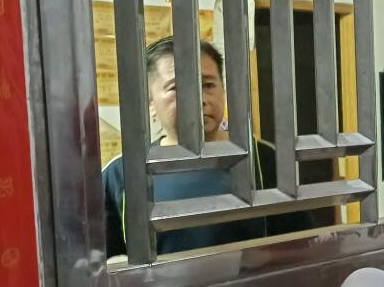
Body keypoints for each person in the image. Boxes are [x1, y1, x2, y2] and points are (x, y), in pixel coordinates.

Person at [102, 37, 313, 258]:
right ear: (150, 103)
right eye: (177, 87)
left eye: (208, 85)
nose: (198, 99)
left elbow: (302, 250)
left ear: (223, 91)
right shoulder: (124, 174)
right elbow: (103, 264)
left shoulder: (263, 160)